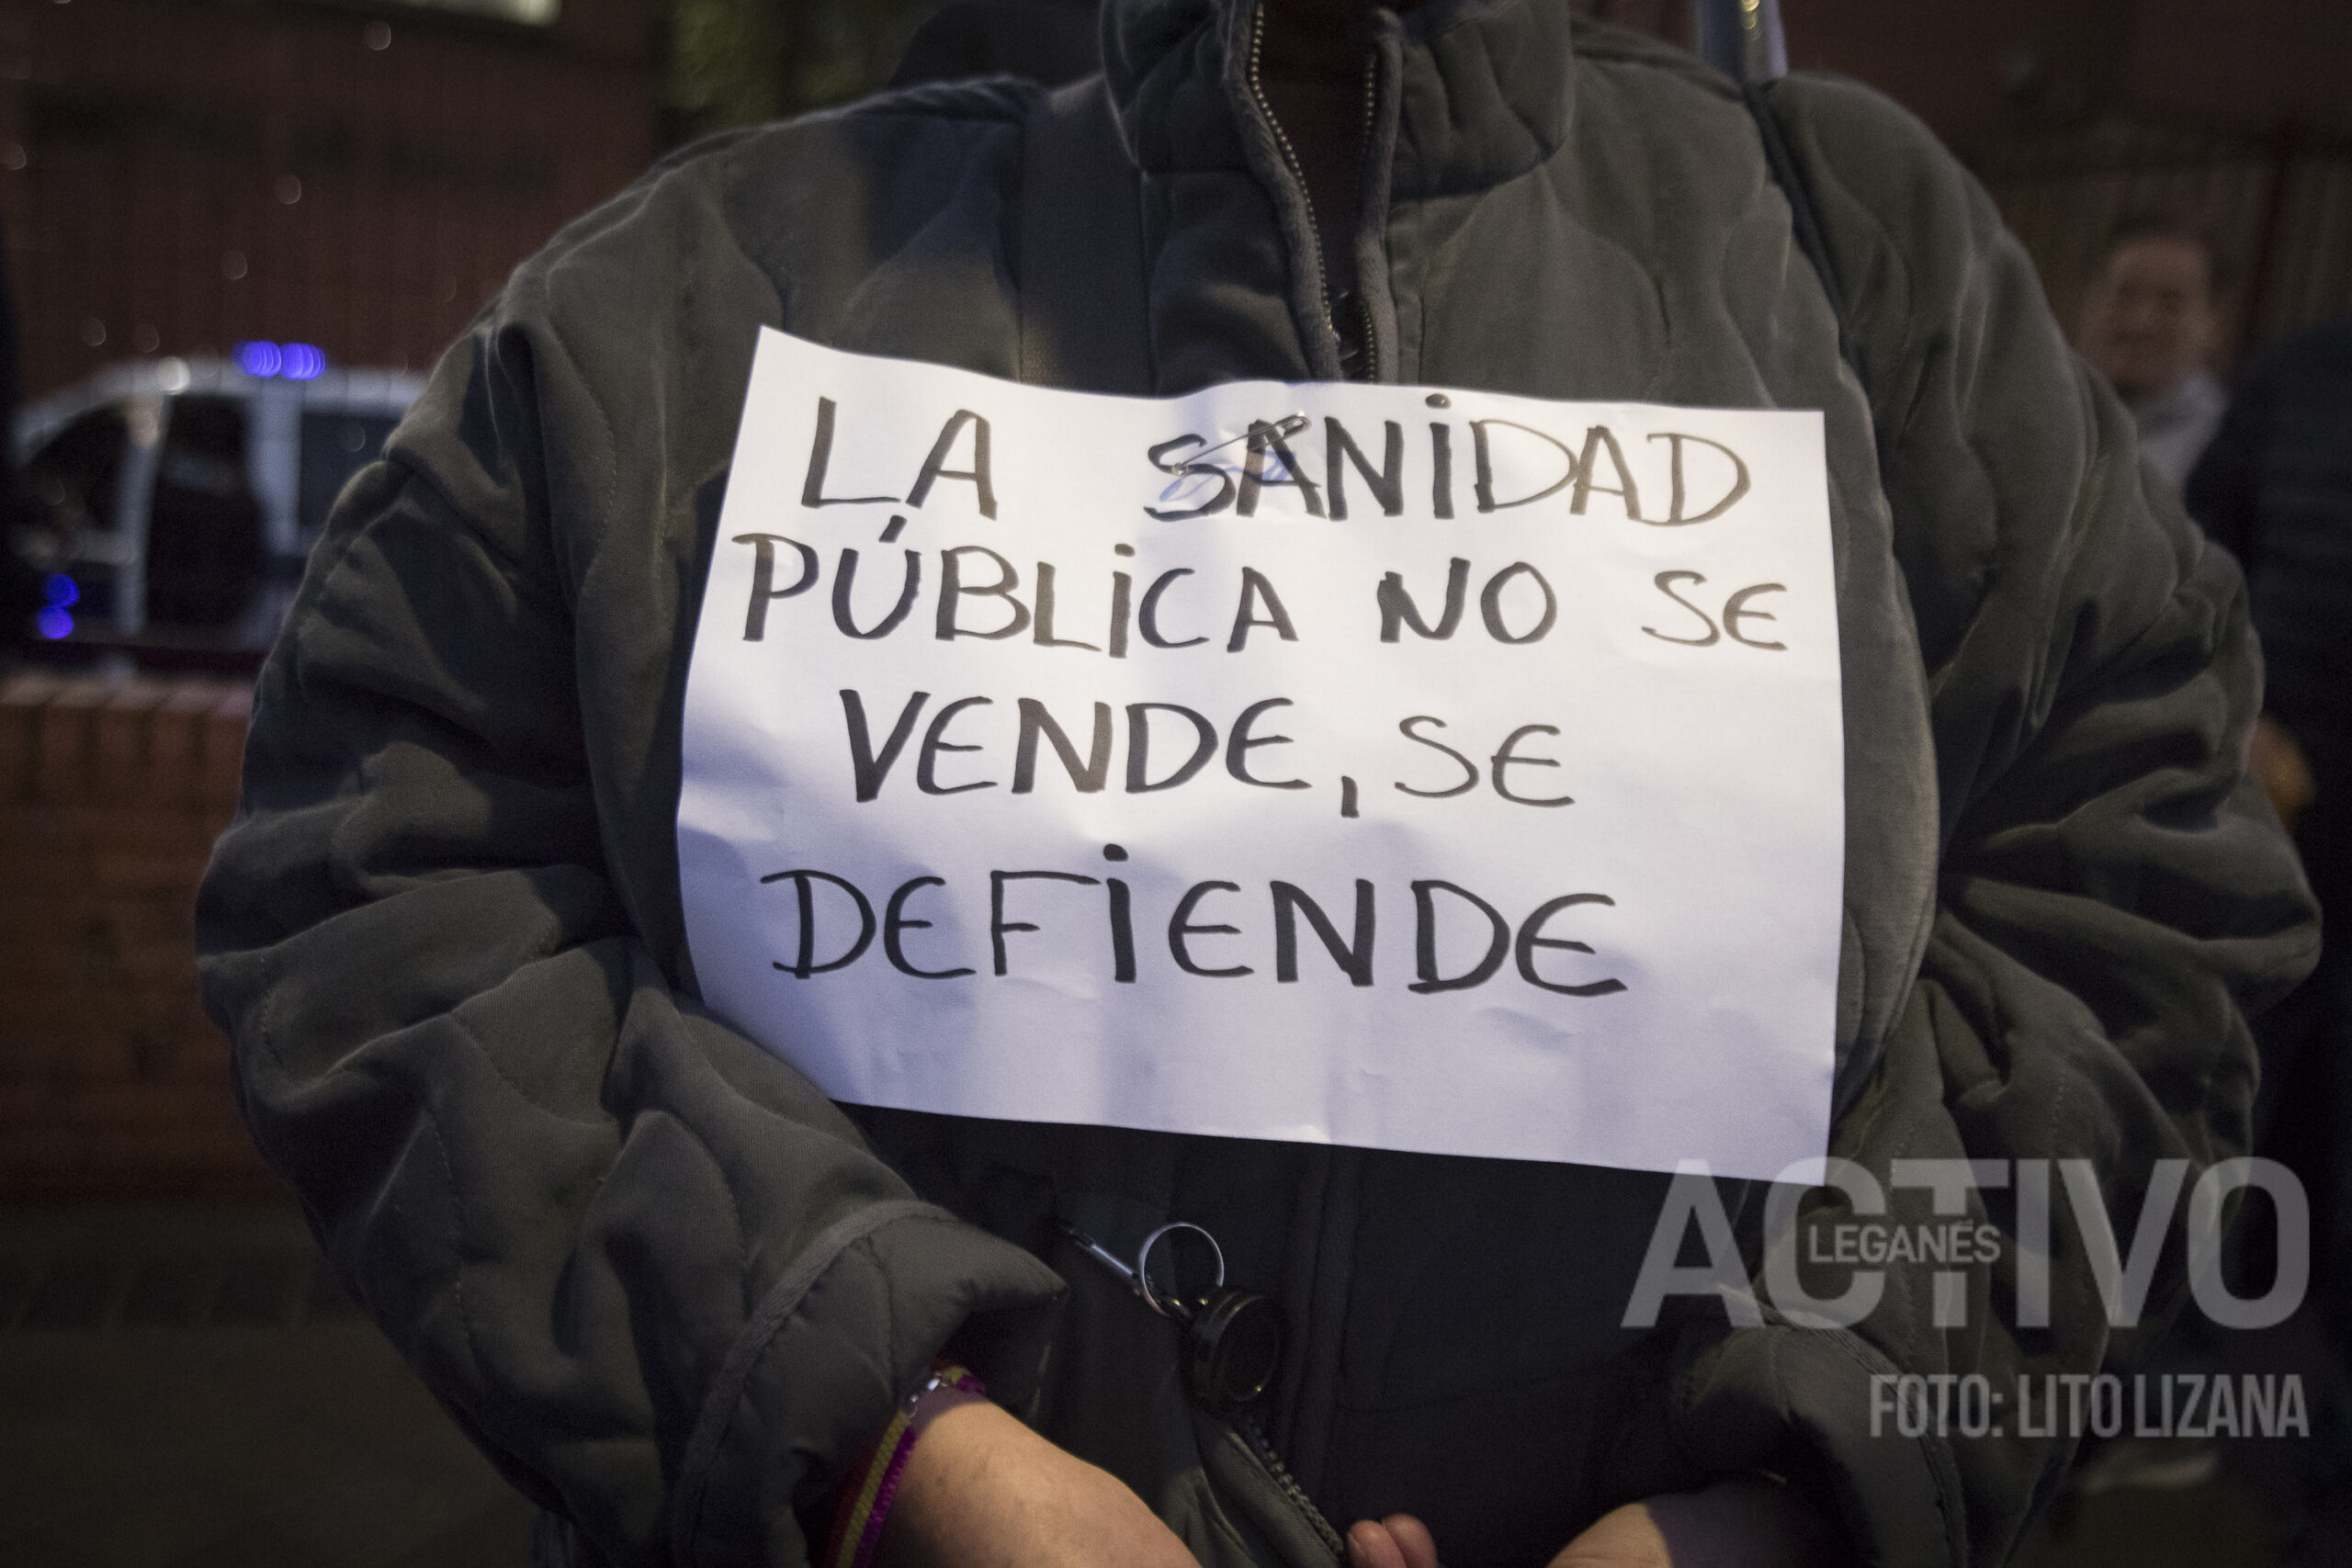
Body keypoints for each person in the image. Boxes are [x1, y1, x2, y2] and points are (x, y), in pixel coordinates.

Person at [192, 3, 2315, 1567]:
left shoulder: (1864, 269)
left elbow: (2127, 887)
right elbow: (388, 870)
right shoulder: (688, 298)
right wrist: (887, 1434)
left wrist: (1794, 1480)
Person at [2187, 317, 2352, 1562]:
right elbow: (2199, 561)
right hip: (2283, 845)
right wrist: (2248, 717)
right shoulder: (2301, 371)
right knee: (2228, 1123)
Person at [2076, 214, 2232, 498]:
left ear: (2212, 324)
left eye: (2170, 304)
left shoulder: (2224, 449)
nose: (2140, 323)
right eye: (2122, 295)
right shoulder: (2037, 412)